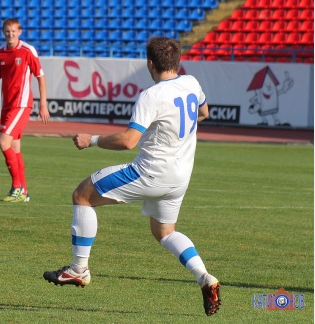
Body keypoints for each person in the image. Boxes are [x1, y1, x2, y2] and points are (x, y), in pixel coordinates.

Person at [43, 37, 221, 316]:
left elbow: (128, 141)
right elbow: (204, 112)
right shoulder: (192, 83)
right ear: (178, 62)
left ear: (150, 63)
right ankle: (204, 277)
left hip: (149, 173)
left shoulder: (152, 95)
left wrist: (91, 140)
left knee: (82, 195)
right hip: (180, 178)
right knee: (164, 232)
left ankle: (78, 269)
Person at [0, 18, 49, 203]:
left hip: (22, 104)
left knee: (3, 142)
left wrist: (43, 104)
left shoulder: (27, 51)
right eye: (7, 31)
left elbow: (40, 77)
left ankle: (17, 187)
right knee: (15, 147)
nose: (10, 34)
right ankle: (24, 191)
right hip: (7, 105)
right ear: (3, 32)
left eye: (13, 31)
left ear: (20, 31)